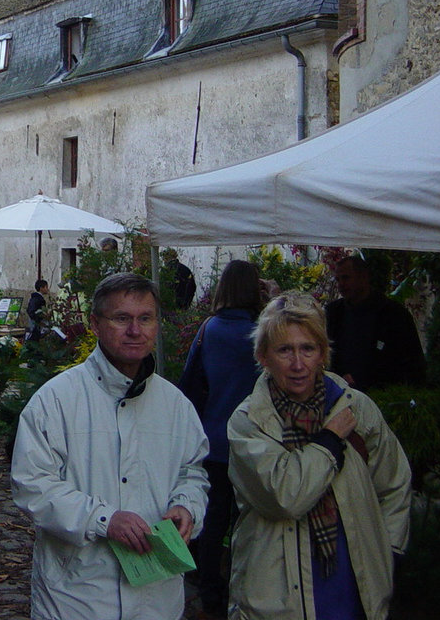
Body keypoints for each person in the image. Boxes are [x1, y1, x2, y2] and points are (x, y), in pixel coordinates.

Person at [11, 273, 209, 620]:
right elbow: (33, 485)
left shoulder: (175, 406)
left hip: (156, 597)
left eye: (145, 318)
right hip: (77, 595)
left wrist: (187, 505)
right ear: (96, 324)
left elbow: (192, 470)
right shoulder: (55, 401)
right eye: (122, 318)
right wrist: (103, 519)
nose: (135, 330)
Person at [228, 292, 412, 620]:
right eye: (285, 350)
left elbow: (394, 483)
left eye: (308, 349)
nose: (298, 364)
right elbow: (285, 496)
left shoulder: (354, 407)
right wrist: (328, 444)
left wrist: (388, 552)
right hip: (278, 596)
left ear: (323, 354)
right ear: (263, 356)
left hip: (353, 584)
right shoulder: (249, 421)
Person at [178, 259, 263, 620]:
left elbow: (190, 383)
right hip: (255, 441)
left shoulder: (210, 328)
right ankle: (246, 591)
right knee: (250, 522)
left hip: (214, 437)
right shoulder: (263, 332)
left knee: (212, 522)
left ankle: (210, 591)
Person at [325, 255, 426, 391]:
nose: (341, 284)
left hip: (382, 396)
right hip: (340, 393)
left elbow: (411, 363)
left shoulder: (393, 314)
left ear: (364, 277)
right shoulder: (333, 313)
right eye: (338, 279)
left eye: (346, 278)